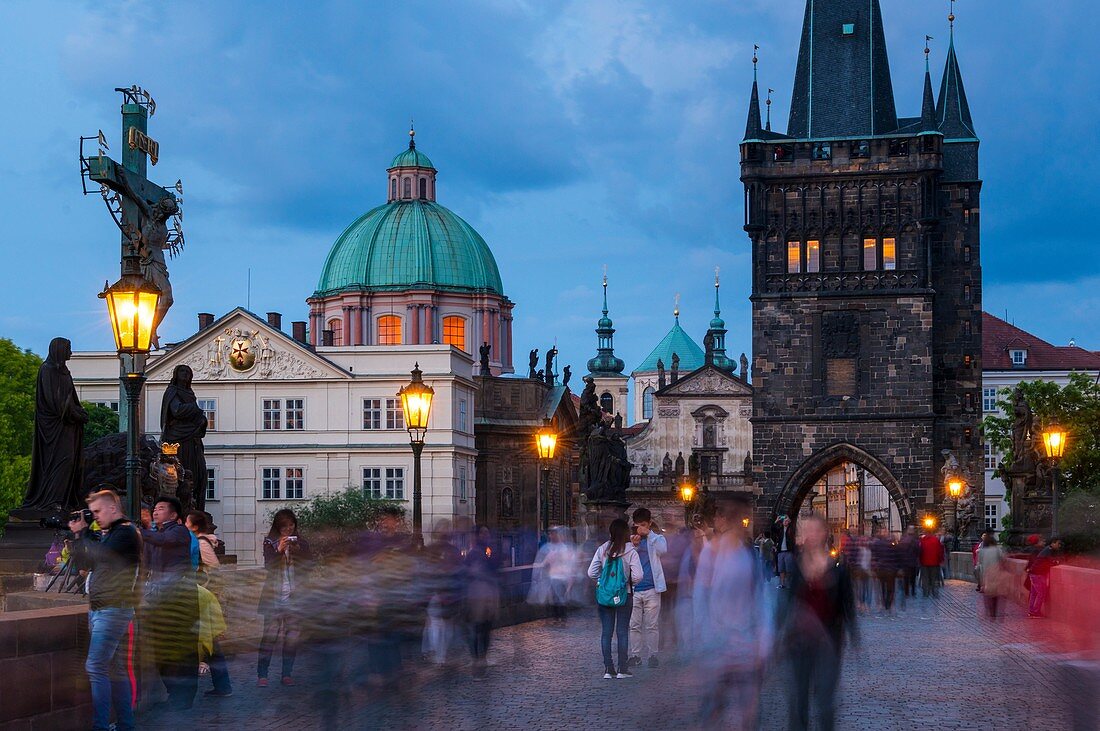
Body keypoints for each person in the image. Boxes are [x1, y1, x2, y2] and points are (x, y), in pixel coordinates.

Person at [694, 497, 774, 729]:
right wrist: (703, 640)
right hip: (718, 645)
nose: (743, 524)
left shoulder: (747, 554)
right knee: (714, 709)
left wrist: (764, 641)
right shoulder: (712, 553)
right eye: (739, 519)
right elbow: (701, 600)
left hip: (745, 645)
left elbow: (760, 599)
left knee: (748, 712)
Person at [68, 489, 141, 731]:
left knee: (95, 666)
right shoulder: (111, 535)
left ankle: (100, 727)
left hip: (113, 609)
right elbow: (85, 565)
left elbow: (103, 555)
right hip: (101, 609)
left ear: (113, 508)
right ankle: (125, 725)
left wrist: (86, 532)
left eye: (98, 511)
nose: (95, 516)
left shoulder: (126, 533)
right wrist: (79, 537)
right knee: (113, 668)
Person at [780, 514, 859, 731]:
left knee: (825, 699)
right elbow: (788, 604)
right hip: (799, 642)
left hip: (828, 642)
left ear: (824, 534)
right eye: (805, 531)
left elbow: (847, 606)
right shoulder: (797, 568)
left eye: (814, 530)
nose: (810, 535)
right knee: (798, 698)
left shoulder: (838, 569)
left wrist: (854, 638)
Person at [141, 495, 199, 711]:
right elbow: (146, 563)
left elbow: (163, 542)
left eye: (161, 508)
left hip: (180, 600)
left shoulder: (179, 531)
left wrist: (140, 531)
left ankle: (184, 697)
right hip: (159, 599)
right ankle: (174, 694)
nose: (155, 511)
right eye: (154, 508)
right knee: (162, 648)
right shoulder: (155, 535)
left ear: (174, 515)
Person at [257, 509, 312, 686]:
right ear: (277, 528)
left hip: (295, 597)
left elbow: (309, 566)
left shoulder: (301, 543)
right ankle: (262, 675)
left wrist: (297, 551)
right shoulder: (269, 542)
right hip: (274, 596)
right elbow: (269, 567)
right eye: (284, 527)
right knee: (269, 637)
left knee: (292, 638)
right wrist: (279, 551)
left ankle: (286, 674)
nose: (288, 529)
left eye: (291, 525)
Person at [587, 518, 643, 679]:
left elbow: (591, 572)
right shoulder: (631, 551)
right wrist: (627, 583)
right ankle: (622, 669)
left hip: (605, 596)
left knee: (606, 632)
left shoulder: (602, 549)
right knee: (622, 632)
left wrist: (601, 583)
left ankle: (608, 669)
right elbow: (639, 575)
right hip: (624, 595)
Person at [185, 511, 231, 697]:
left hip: (206, 597)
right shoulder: (201, 541)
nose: (184, 525)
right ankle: (222, 685)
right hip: (206, 596)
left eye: (187, 522)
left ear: (194, 526)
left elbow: (214, 568)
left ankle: (222, 686)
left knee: (210, 643)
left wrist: (206, 586)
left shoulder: (201, 543)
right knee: (210, 643)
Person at [627, 508, 668, 668]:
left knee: (652, 624)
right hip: (635, 589)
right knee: (634, 624)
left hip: (652, 588)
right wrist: (634, 546)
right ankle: (635, 655)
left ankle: (652, 655)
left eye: (643, 525)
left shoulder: (657, 538)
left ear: (649, 524)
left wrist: (649, 533)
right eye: (638, 525)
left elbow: (663, 550)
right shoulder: (630, 541)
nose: (640, 529)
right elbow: (626, 561)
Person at [465, 525, 501, 679]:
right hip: (476, 593)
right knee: (476, 627)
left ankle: (481, 657)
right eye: (483, 533)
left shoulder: (489, 550)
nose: (485, 535)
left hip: (489, 594)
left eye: (487, 533)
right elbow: (468, 571)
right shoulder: (473, 553)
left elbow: (495, 569)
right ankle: (476, 658)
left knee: (485, 627)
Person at [1026, 536, 1063, 618]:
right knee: (1041, 593)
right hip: (1038, 574)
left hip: (1033, 573)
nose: (1059, 545)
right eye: (1058, 543)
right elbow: (1049, 562)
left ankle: (1031, 612)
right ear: (1053, 543)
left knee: (1034, 593)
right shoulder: (1048, 551)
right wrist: (1056, 562)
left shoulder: (1047, 550)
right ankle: (1035, 612)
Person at [977, 533, 1007, 619]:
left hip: (986, 574)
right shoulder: (997, 550)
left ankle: (989, 610)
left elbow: (980, 563)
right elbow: (1003, 559)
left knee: (988, 593)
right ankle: (994, 611)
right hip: (996, 573)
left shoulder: (982, 551)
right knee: (995, 593)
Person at [870, 527, 899, 615]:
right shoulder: (878, 543)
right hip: (882, 568)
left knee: (889, 588)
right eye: (883, 531)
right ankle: (886, 603)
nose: (884, 533)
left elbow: (896, 555)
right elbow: (874, 555)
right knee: (883, 587)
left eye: (885, 531)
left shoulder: (891, 542)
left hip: (890, 568)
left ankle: (888, 603)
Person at [919, 526, 945, 598]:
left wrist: (920, 560)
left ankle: (926, 593)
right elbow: (939, 552)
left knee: (925, 579)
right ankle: (934, 593)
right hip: (934, 563)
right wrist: (941, 560)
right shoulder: (936, 540)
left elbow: (920, 551)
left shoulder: (922, 540)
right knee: (934, 578)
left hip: (924, 563)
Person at [773, 515, 796, 588]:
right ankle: (782, 584)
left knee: (789, 569)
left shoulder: (791, 529)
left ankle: (788, 583)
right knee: (781, 569)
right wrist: (776, 521)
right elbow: (773, 529)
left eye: (787, 521)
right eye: (784, 521)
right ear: (782, 522)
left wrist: (790, 520)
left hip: (788, 551)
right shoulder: (780, 529)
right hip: (780, 551)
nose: (785, 522)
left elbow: (794, 529)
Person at [899, 527, 920, 599]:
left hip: (905, 562)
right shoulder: (915, 540)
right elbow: (918, 551)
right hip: (913, 562)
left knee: (906, 578)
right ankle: (913, 591)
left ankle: (906, 592)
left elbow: (900, 551)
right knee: (913, 578)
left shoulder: (903, 540)